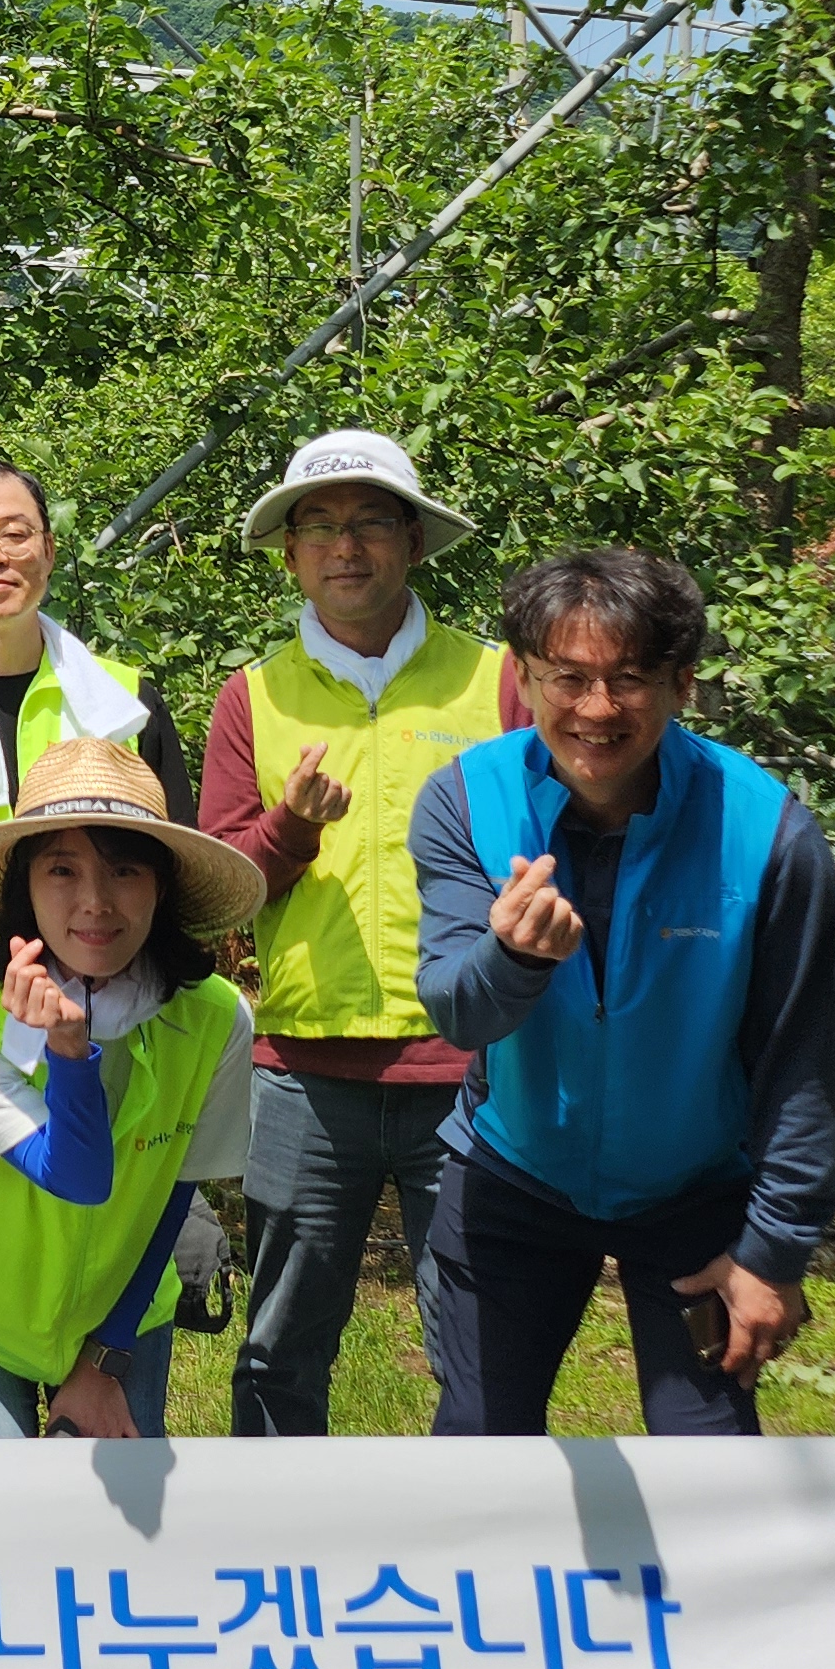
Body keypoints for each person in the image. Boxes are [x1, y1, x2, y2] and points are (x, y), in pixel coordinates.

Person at [409, 548, 835, 1436]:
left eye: (632, 679)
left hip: (696, 1190)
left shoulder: (765, 829)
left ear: (683, 683)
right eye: (568, 677)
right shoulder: (465, 800)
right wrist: (514, 958)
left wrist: (774, 1251)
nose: (597, 709)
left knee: (709, 1467)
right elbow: (457, 1009)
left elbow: (803, 1064)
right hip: (515, 1179)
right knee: (480, 1460)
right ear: (522, 677)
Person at [196, 432, 525, 1435]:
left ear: (414, 541)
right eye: (320, 526)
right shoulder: (253, 696)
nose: (346, 546)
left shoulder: (499, 682)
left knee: (478, 1342)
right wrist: (291, 828)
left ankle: (481, 1527)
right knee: (278, 1349)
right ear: (290, 554)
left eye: (372, 521)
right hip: (305, 1070)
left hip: (474, 1068)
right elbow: (217, 889)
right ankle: (281, 1525)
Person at [0, 742, 258, 1438]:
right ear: (23, 886)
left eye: (125, 869)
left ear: (162, 887)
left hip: (125, 1304)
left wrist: (107, 1354)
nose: (95, 902)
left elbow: (176, 1192)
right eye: (62, 869)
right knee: (2, 1500)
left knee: (112, 1504)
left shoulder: (217, 1019)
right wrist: (68, 1051)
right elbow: (77, 1178)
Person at [0, 455, 192, 1187]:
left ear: (49, 550)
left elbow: (175, 866)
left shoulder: (124, 700)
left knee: (115, 1209)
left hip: (116, 1015)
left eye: (14, 533)